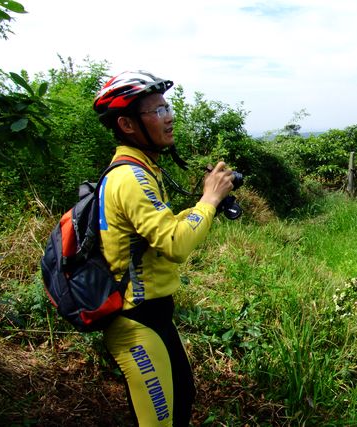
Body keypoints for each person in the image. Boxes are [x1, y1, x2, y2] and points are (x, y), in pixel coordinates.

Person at [92, 71, 234, 426]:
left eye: (167, 107)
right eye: (157, 111)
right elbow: (175, 244)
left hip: (155, 316)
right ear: (127, 124)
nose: (168, 117)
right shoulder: (131, 177)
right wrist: (209, 199)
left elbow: (163, 231)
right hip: (136, 320)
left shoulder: (142, 169)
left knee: (182, 399)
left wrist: (208, 204)